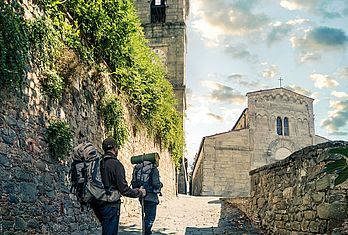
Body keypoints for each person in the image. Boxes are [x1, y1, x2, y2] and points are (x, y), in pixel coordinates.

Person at [91, 137, 146, 235]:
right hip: (110, 204)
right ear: (115, 148)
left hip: (98, 202)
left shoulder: (99, 162)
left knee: (106, 230)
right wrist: (139, 192)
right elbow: (124, 189)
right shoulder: (116, 165)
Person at [140, 160, 163, 235]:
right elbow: (156, 184)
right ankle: (147, 232)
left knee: (146, 217)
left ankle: (145, 232)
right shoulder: (153, 169)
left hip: (142, 195)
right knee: (150, 218)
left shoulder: (141, 168)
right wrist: (161, 184)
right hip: (151, 197)